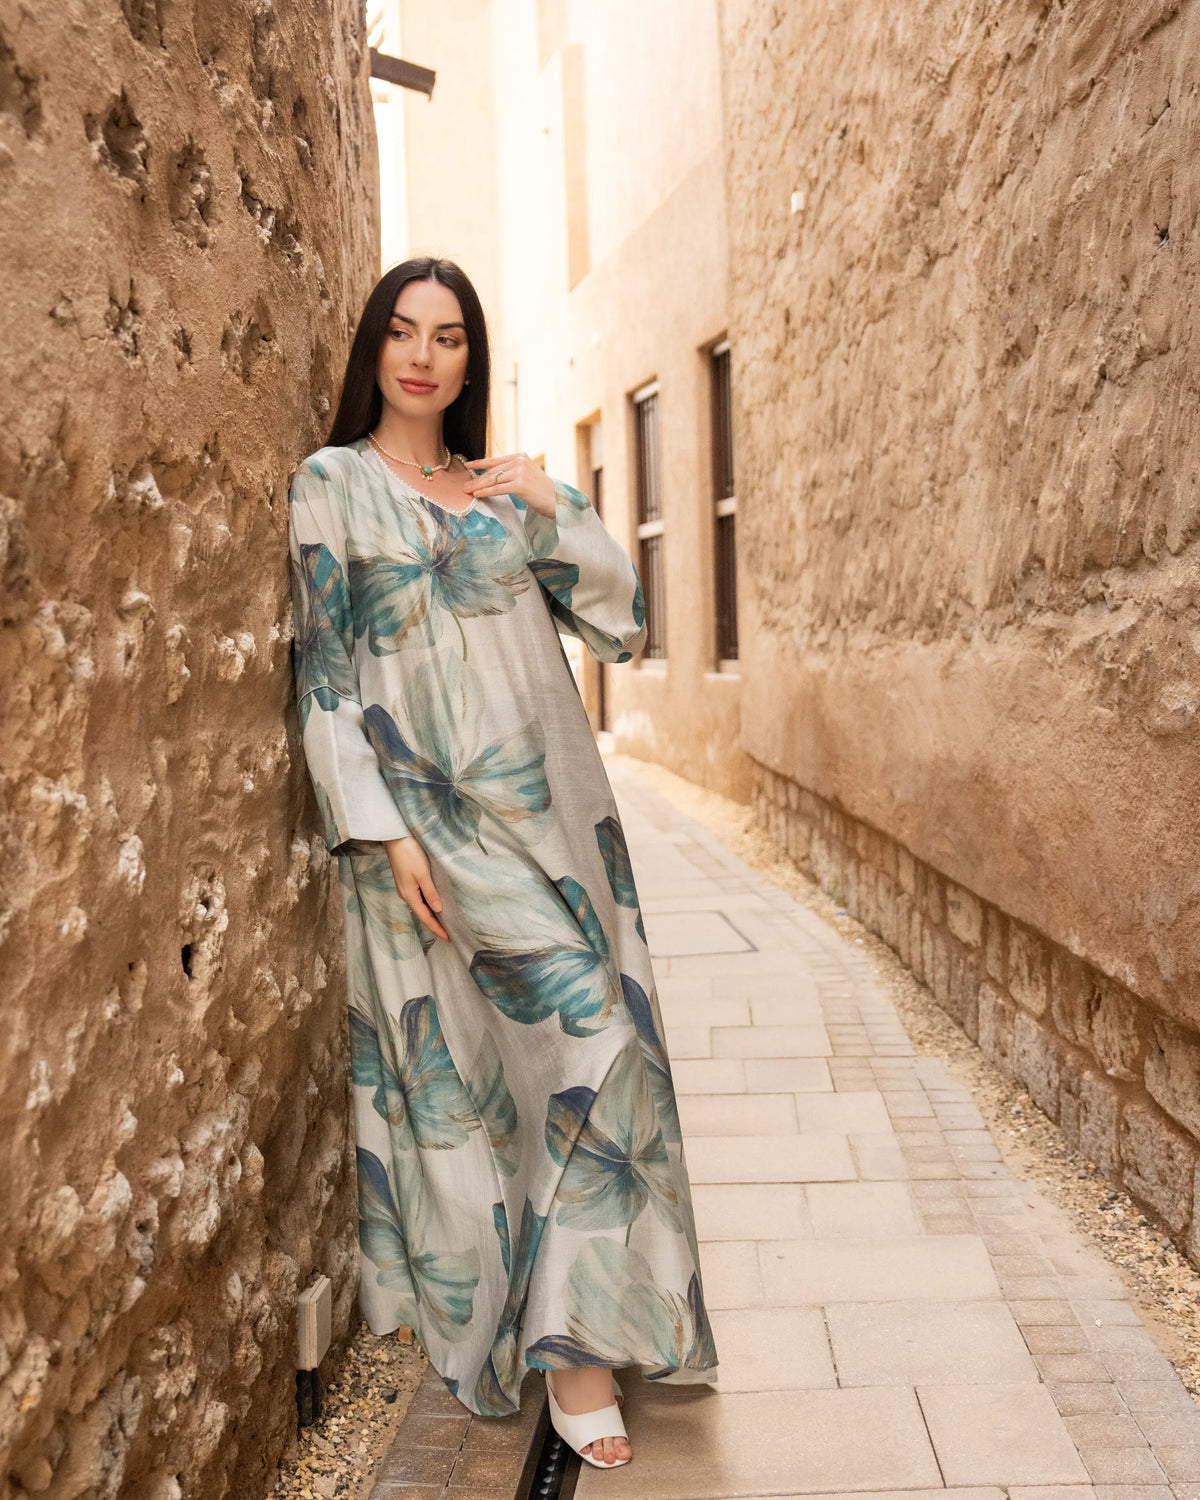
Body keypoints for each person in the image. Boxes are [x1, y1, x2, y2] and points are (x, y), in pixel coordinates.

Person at [286, 256, 718, 1470]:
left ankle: (587, 1318)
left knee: (575, 1060)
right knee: (586, 1048)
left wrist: (552, 503)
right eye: (402, 332)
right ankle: (576, 1355)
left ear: (471, 358)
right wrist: (386, 830)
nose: (422, 356)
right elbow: (326, 672)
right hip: (440, 826)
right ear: (374, 347)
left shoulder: (498, 493)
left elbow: (621, 624)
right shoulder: (332, 485)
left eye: (448, 337)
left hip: (560, 822)